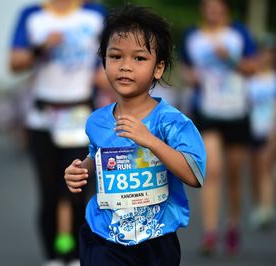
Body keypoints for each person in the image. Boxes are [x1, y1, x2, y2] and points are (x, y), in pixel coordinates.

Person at [64, 5, 206, 266]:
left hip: (156, 239)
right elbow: (99, 156)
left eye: (139, 58)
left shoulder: (171, 121)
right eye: (116, 56)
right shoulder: (97, 121)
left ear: (158, 68)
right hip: (104, 235)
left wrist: (150, 140)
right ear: (104, 61)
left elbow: (194, 174)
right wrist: (81, 170)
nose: (126, 66)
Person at [8, 1, 106, 265]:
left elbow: (113, 56)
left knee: (76, 190)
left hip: (81, 115)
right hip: (43, 118)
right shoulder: (33, 16)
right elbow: (14, 63)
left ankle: (74, 253)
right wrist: (41, 47)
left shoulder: (95, 14)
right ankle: (53, 255)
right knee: (49, 193)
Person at [180, 0, 257, 255]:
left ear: (225, 9)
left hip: (236, 111)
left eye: (218, 7)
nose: (213, 12)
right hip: (207, 111)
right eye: (208, 7)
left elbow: (252, 68)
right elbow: (185, 68)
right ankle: (210, 233)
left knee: (234, 175)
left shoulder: (238, 34)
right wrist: (190, 77)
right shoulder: (192, 35)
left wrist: (230, 58)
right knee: (211, 171)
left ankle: (233, 224)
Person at [247, 34, 276, 230]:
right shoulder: (250, 78)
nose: (266, 56)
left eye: (270, 53)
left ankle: (267, 209)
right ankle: (259, 206)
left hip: (270, 130)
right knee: (255, 171)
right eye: (263, 52)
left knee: (266, 168)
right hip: (251, 130)